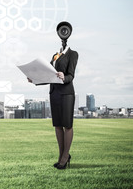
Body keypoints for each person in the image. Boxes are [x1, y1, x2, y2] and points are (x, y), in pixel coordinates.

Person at [28, 22, 78, 170]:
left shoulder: (73, 54)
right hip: (54, 93)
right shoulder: (55, 56)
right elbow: (48, 75)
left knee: (67, 125)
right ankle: (61, 155)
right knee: (57, 125)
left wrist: (64, 76)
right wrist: (35, 80)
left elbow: (71, 76)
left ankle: (65, 156)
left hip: (67, 93)